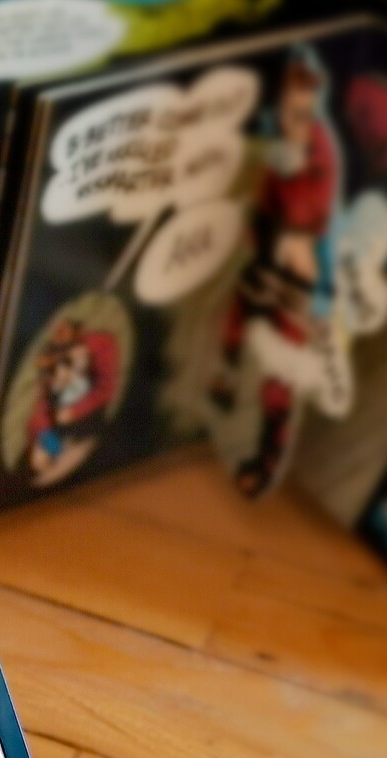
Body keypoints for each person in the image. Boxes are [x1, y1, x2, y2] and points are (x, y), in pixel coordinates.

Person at [211, 47, 339, 497]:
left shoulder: (319, 156)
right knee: (238, 314)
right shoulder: (283, 144)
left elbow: (309, 216)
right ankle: (225, 380)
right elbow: (267, 198)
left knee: (281, 372)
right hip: (268, 249)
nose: (291, 120)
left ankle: (266, 460)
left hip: (297, 272)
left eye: (300, 112)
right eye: (287, 110)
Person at [26, 319, 118, 479]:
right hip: (62, 429)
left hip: (90, 420)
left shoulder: (98, 346)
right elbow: (41, 408)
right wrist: (50, 443)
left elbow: (105, 390)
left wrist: (75, 411)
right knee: (39, 456)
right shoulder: (52, 365)